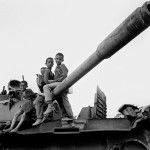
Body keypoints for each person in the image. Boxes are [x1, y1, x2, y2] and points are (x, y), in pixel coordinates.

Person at [43, 53, 74, 120]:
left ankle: (49, 104)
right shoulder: (57, 67)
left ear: (62, 60)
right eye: (56, 59)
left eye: (59, 59)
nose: (58, 60)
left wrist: (53, 81)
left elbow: (64, 76)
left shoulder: (62, 66)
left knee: (45, 87)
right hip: (59, 84)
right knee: (63, 102)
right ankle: (69, 116)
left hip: (60, 83)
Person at [32, 57, 54, 126]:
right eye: (41, 72)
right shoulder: (39, 78)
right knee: (37, 102)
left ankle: (47, 116)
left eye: (51, 62)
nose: (42, 73)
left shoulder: (51, 74)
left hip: (49, 91)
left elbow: (48, 82)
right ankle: (39, 118)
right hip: (42, 93)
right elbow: (41, 88)